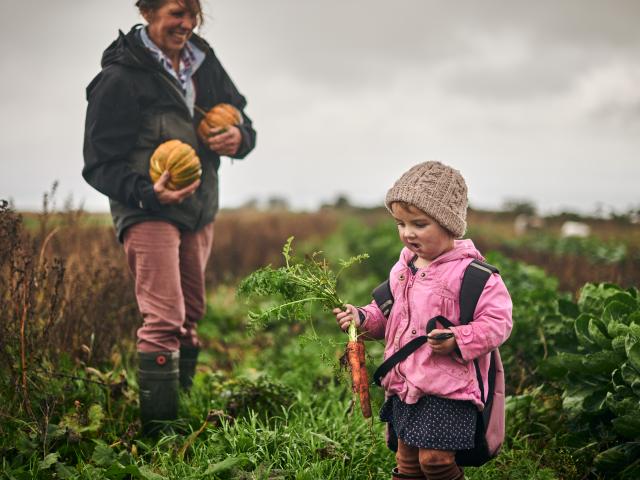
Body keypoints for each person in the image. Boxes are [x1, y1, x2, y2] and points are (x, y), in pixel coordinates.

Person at [82, 0, 256, 434]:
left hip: (198, 208)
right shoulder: (120, 78)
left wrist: (241, 137)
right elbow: (98, 162)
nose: (187, 23)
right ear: (147, 11)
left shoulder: (203, 60)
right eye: (177, 12)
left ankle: (181, 404)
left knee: (191, 313)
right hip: (148, 209)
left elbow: (240, 116)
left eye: (193, 13)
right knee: (163, 320)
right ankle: (160, 433)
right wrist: (147, 192)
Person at [333, 161, 512, 479]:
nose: (407, 233)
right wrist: (362, 317)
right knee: (409, 461)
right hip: (404, 385)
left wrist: (459, 338)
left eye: (419, 224)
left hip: (448, 388)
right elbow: (388, 315)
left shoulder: (472, 274)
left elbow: (498, 322)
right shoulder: (403, 269)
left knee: (436, 461)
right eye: (400, 223)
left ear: (449, 225)